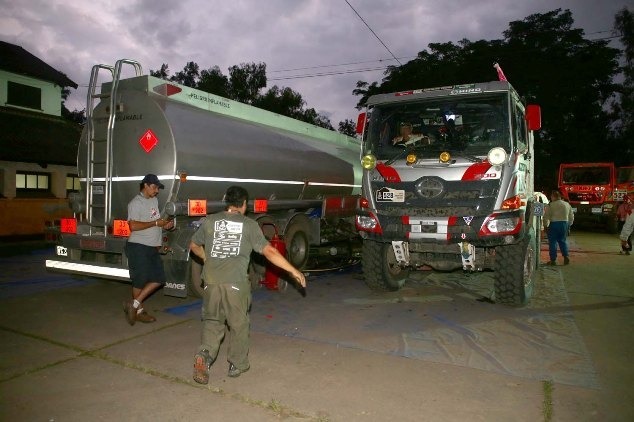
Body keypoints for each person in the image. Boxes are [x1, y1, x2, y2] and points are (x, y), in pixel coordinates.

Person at [189, 186, 307, 384]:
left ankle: (204, 356)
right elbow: (269, 252)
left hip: (210, 283)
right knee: (239, 325)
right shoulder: (249, 225)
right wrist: (293, 271)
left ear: (226, 201)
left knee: (212, 322)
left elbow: (193, 245)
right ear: (244, 204)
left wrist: (207, 258)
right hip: (235, 284)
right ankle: (237, 363)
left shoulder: (210, 221)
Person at [122, 174, 174, 325]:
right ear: (145, 185)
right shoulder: (135, 203)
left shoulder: (154, 200)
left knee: (159, 278)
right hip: (138, 247)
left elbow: (154, 220)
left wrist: (164, 225)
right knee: (139, 281)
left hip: (152, 247)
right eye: (154, 187)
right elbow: (133, 226)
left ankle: (133, 304)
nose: (157, 191)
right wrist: (156, 223)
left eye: (158, 188)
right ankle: (139, 311)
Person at [543, 190, 574, 266]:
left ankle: (553, 260)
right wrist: (569, 225)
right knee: (562, 241)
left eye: (551, 197)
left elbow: (546, 217)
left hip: (554, 224)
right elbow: (571, 217)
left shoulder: (550, 205)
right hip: (564, 224)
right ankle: (566, 256)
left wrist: (545, 226)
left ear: (553, 197)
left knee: (553, 242)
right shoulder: (567, 204)